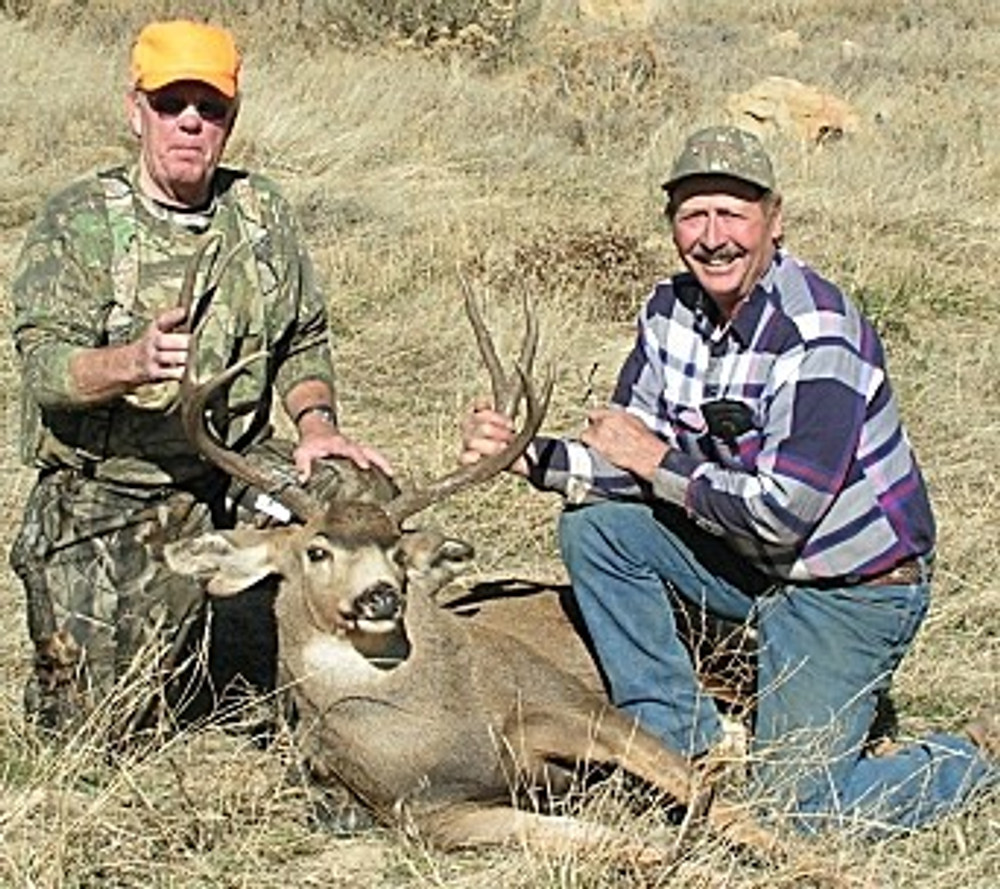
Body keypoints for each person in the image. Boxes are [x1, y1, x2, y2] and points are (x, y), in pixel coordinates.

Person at [461, 125, 997, 834]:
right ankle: (680, 742)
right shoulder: (669, 310)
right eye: (693, 214)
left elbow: (782, 510)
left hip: (849, 588)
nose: (713, 236)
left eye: (733, 214)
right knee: (595, 524)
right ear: (672, 225)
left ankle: (972, 759)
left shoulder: (818, 332)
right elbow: (628, 461)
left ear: (775, 221)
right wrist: (532, 458)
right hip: (750, 559)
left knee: (792, 812)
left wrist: (655, 460)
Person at [9, 19, 391, 740]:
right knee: (97, 725)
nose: (190, 121)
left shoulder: (261, 212)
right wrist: (131, 363)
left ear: (229, 121)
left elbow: (304, 339)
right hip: (116, 485)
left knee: (358, 496)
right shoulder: (78, 221)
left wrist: (316, 426)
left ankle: (350, 693)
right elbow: (44, 368)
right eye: (170, 103)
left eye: (208, 107)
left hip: (240, 467)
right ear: (136, 112)